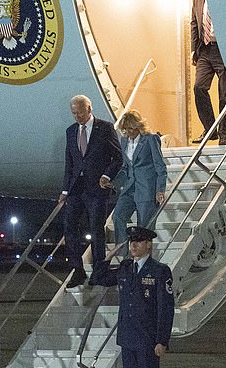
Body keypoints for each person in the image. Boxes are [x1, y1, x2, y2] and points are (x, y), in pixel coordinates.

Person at [59, 94, 123, 288]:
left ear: (89, 109)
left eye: (79, 112)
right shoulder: (70, 131)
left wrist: (106, 176)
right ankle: (77, 271)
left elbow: (118, 158)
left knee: (96, 230)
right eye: (73, 113)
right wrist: (64, 190)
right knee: (69, 228)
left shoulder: (105, 128)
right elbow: (69, 163)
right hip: (76, 189)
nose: (77, 117)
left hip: (96, 189)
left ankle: (99, 271)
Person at [94, 227, 174, 368]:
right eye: (131, 242)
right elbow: (98, 279)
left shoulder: (159, 270)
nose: (134, 245)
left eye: (138, 241)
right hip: (127, 337)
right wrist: (109, 257)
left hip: (147, 338)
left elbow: (165, 307)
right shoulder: (126, 268)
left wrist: (162, 340)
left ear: (148, 244)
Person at [112, 110, 167, 255]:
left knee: (143, 227)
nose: (128, 132)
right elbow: (125, 167)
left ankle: (142, 259)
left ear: (138, 126)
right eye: (125, 129)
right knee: (118, 216)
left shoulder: (150, 139)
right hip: (129, 188)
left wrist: (160, 189)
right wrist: (114, 182)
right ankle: (124, 255)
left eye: (131, 128)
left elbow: (160, 166)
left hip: (147, 188)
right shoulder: (124, 141)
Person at [191, 0, 226, 146]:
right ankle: (210, 130)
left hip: (224, 50)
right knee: (198, 87)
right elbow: (194, 23)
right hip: (205, 49)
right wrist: (193, 49)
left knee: (225, 95)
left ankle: (224, 134)